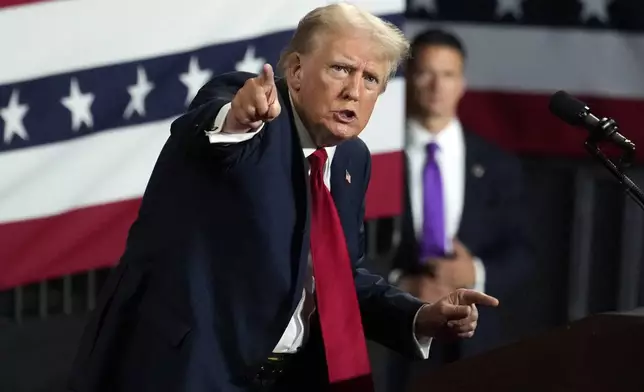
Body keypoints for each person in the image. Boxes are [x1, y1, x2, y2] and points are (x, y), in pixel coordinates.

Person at [66, 5, 499, 392]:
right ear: (294, 72)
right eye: (341, 69)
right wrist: (238, 118)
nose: (354, 91)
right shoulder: (249, 115)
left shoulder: (352, 159)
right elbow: (211, 130)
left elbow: (340, 278)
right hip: (187, 372)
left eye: (371, 79)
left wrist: (419, 316)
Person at [384, 28, 531, 390]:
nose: (437, 86)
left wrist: (473, 273)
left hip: (475, 343)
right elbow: (351, 247)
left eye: (447, 75)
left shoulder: (497, 165)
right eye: (425, 73)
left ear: (461, 83)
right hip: (394, 339)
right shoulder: (375, 158)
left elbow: (523, 253)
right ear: (408, 78)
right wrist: (400, 284)